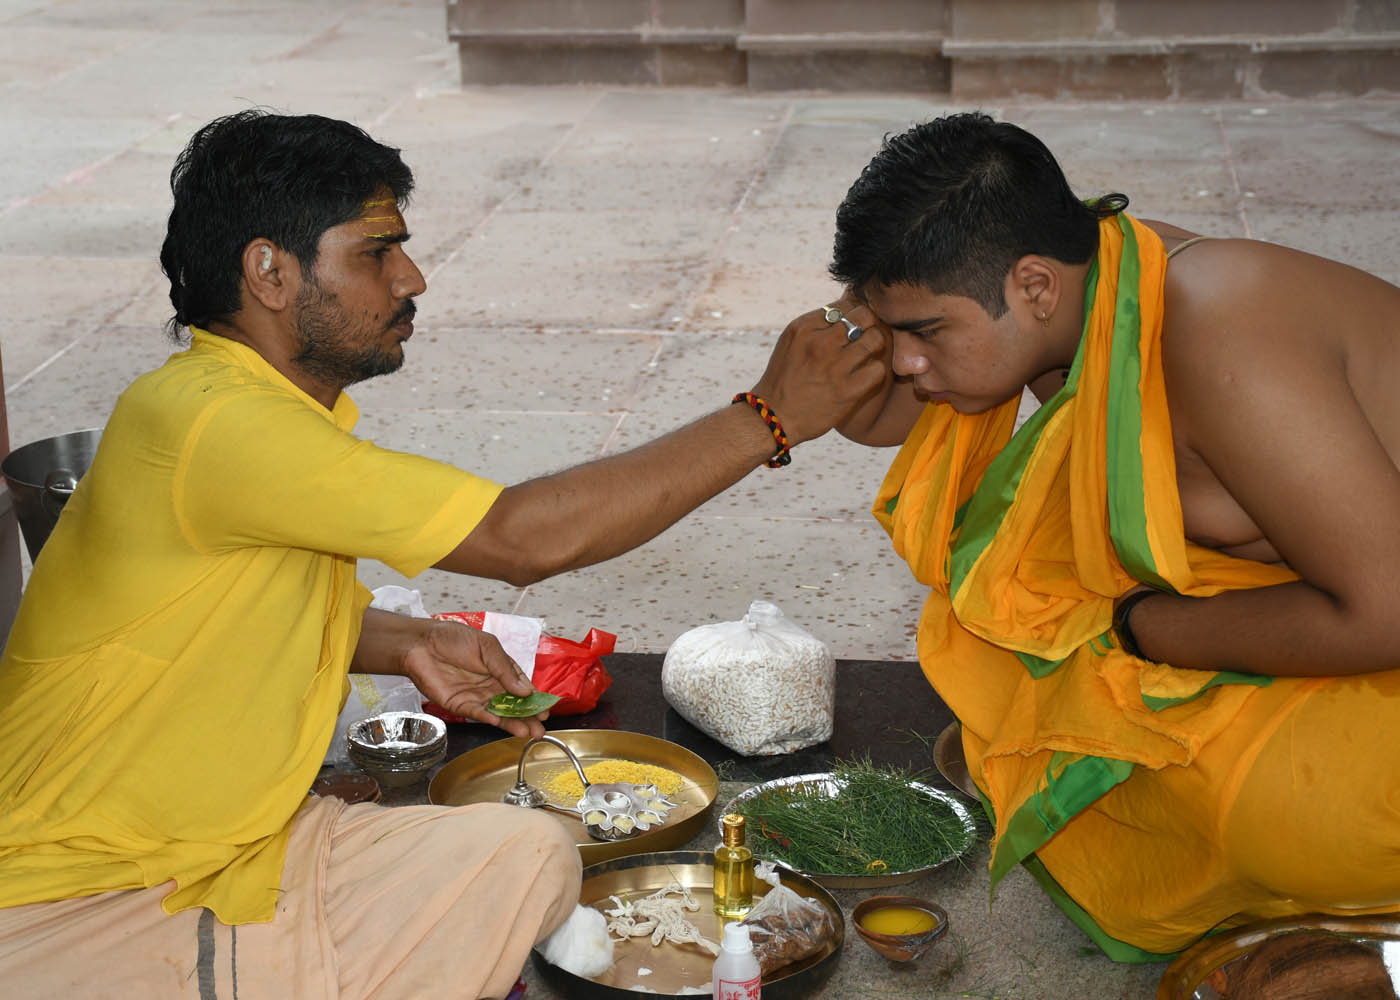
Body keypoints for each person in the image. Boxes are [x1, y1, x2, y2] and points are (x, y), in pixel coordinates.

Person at [0, 111, 887, 998]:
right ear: (269, 271)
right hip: (87, 887)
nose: (412, 278)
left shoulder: (230, 406)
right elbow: (522, 538)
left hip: (242, 844)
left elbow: (217, 607)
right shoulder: (217, 422)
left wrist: (404, 642)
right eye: (376, 253)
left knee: (532, 851)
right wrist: (767, 416)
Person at [830, 112, 1400, 961]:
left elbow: (1385, 610)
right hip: (1318, 595)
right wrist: (853, 327)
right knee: (1004, 644)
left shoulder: (1219, 327)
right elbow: (869, 411)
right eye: (893, 331)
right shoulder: (1081, 281)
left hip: (1375, 609)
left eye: (924, 332)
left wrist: (1141, 630)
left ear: (1032, 287)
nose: (904, 362)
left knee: (1287, 811)